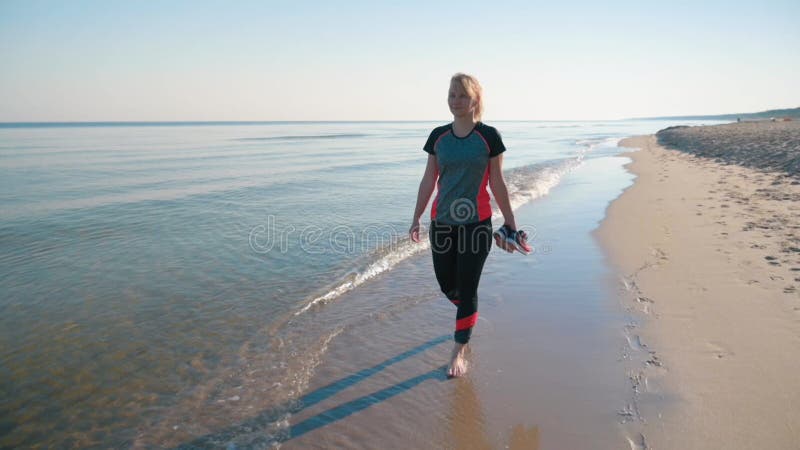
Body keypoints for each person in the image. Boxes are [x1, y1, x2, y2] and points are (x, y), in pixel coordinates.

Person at [409, 73, 528, 378]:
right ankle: (469, 314)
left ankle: (458, 348)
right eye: (451, 95)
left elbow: (498, 182)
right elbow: (428, 180)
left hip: (477, 224)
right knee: (447, 284)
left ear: (475, 99)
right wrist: (416, 217)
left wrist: (511, 224)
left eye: (462, 96)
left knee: (469, 285)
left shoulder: (488, 137)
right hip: (442, 223)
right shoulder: (438, 137)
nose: (456, 101)